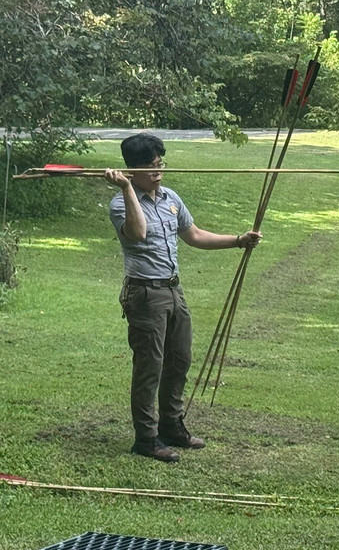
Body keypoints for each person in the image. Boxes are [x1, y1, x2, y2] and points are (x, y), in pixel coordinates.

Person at [105, 133, 261, 463]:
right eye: (151, 167)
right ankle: (146, 439)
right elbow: (138, 233)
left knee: (180, 360)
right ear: (131, 169)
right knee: (150, 367)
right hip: (145, 294)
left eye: (161, 164)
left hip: (174, 290)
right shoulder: (121, 203)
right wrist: (126, 188)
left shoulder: (171, 198)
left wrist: (238, 240)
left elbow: (193, 235)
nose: (159, 172)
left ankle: (171, 426)